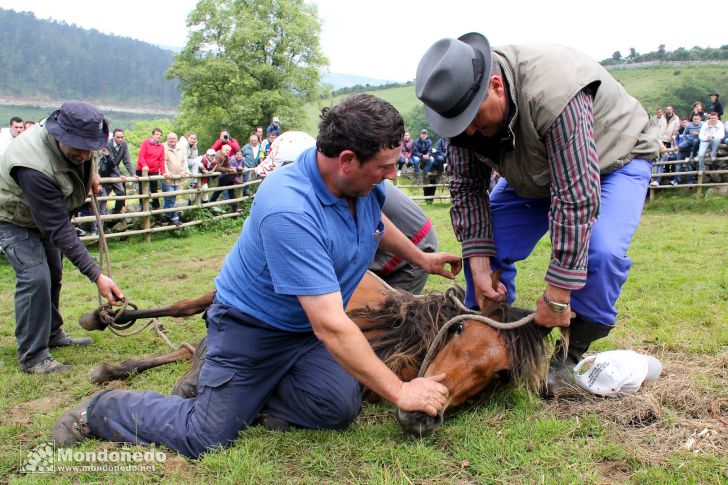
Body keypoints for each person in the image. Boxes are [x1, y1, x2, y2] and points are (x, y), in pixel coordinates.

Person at [53, 93, 461, 458]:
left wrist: (419, 257)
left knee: (337, 408)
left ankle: (245, 396)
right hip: (253, 329)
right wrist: (401, 391)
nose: (392, 175)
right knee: (207, 436)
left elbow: (374, 224)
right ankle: (103, 410)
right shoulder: (290, 208)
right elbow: (332, 327)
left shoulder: (361, 187)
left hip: (302, 333)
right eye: (385, 167)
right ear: (347, 160)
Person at [416, 33, 660, 396]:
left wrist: (558, 296)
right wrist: (480, 267)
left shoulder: (554, 92)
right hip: (533, 172)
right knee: (485, 244)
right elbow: (468, 191)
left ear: (496, 86)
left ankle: (570, 352)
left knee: (601, 252)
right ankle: (493, 336)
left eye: (474, 120)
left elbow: (575, 198)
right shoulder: (462, 114)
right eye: (459, 124)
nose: (468, 132)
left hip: (613, 162)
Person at [0, 101, 124, 374]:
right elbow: (58, 227)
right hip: (13, 218)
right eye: (78, 148)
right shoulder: (32, 165)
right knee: (35, 278)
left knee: (54, 273)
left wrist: (90, 175)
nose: (84, 153)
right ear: (59, 137)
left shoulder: (80, 147)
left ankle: (53, 334)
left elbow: (85, 155)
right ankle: (33, 356)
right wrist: (96, 275)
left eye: (89, 148)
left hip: (43, 215)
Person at [370, 181, 439, 294]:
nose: (392, 174)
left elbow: (373, 219)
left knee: (390, 308)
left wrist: (421, 258)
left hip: (413, 241)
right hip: (408, 234)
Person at [98, 128, 133, 223]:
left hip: (115, 171)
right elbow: (111, 161)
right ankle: (101, 218)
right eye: (118, 137)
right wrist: (119, 174)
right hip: (104, 172)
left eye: (122, 137)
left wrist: (132, 174)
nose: (120, 139)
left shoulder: (124, 144)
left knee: (121, 191)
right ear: (113, 137)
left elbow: (126, 160)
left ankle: (116, 211)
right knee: (104, 196)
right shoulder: (108, 144)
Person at [136, 128, 165, 211]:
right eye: (157, 134)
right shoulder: (146, 143)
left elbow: (161, 160)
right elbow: (141, 156)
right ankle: (142, 205)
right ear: (152, 135)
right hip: (142, 169)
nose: (158, 136)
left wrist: (163, 172)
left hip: (154, 169)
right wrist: (144, 165)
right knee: (142, 187)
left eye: (160, 135)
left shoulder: (161, 146)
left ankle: (156, 205)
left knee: (154, 188)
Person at [162, 132, 187, 225]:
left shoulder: (180, 148)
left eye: (174, 138)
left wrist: (183, 170)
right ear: (167, 139)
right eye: (170, 138)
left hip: (177, 178)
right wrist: (166, 171)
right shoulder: (163, 147)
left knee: (170, 198)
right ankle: (175, 218)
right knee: (171, 197)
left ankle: (165, 216)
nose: (172, 140)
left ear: (176, 139)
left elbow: (183, 161)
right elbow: (163, 161)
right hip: (167, 179)